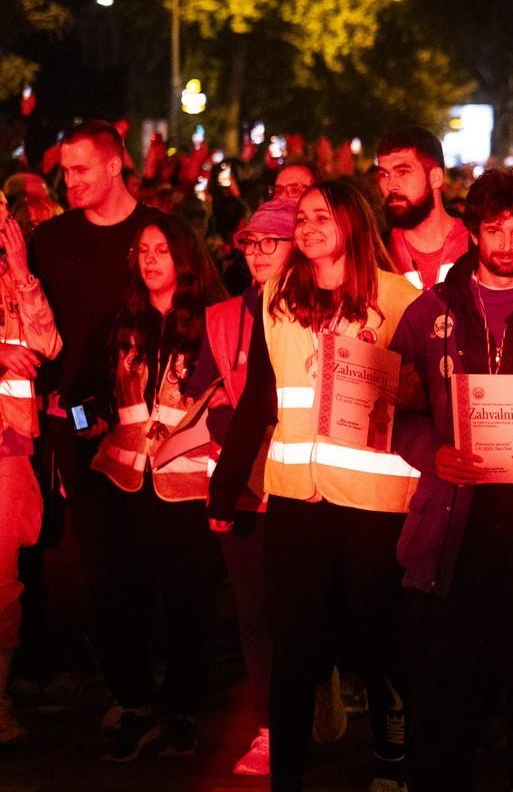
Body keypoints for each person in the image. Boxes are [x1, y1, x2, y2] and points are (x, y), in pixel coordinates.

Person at [208, 179, 421, 792]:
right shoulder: (275, 294)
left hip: (373, 501)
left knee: (377, 639)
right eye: (302, 218)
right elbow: (260, 398)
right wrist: (228, 487)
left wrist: (405, 391)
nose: (308, 227)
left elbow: (425, 395)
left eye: (322, 216)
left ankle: (392, 759)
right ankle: (289, 773)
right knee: (294, 644)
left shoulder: (399, 298)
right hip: (297, 498)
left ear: (353, 224)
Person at [391, 169, 513, 791]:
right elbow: (395, 412)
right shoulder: (431, 313)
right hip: (455, 514)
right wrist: (433, 452)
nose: (507, 244)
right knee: (448, 680)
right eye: (494, 229)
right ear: (472, 232)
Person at [28, 120, 166, 743]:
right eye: (65, 171)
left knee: (157, 553)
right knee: (103, 554)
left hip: (157, 421)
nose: (70, 181)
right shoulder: (50, 241)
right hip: (78, 420)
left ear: (115, 166)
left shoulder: (157, 237)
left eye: (82, 169)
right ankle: (129, 689)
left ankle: (172, 685)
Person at [87, 214, 228, 761]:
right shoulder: (123, 320)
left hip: (187, 489)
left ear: (184, 259)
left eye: (161, 250)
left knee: (189, 605)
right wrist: (90, 421)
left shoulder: (214, 325)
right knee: (125, 603)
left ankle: (184, 710)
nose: (149, 260)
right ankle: (135, 704)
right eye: (142, 250)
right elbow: (84, 396)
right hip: (125, 486)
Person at [186, 199, 297, 776]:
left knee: (304, 609)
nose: (256, 255)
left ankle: (312, 700)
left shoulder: (322, 311)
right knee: (255, 610)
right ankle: (271, 726)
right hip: (244, 478)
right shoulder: (226, 316)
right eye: (250, 244)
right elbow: (206, 397)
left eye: (269, 243)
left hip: (308, 478)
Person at [0, 193, 61, 745]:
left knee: (3, 584)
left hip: (11, 447)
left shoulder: (16, 283)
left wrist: (21, 272)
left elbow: (48, 343)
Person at [375, 127, 472, 288]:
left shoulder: (477, 244)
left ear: (435, 177)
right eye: (384, 174)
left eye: (402, 172)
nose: (391, 185)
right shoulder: (375, 254)